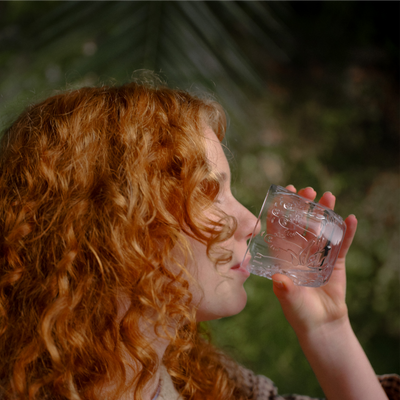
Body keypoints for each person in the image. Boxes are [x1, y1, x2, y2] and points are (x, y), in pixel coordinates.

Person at [0, 79, 398, 400]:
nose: (251, 224)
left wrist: (327, 329)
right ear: (115, 223)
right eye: (209, 192)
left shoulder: (209, 385)